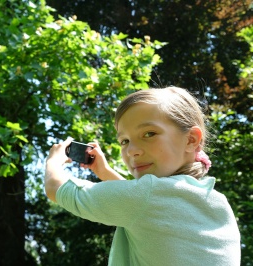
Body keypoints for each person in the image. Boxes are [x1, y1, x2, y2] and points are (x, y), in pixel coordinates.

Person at [44, 87, 241, 265]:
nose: (132, 151)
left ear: (191, 139)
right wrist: (104, 172)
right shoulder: (216, 202)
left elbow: (56, 189)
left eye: (149, 134)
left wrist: (54, 161)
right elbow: (144, 207)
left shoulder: (147, 198)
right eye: (124, 141)